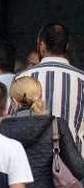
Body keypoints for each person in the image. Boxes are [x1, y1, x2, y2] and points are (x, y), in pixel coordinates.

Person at [17, 23, 84, 151]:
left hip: (32, 163)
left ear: (41, 46)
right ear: (68, 46)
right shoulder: (81, 80)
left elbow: (10, 123)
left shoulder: (23, 78)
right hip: (74, 166)